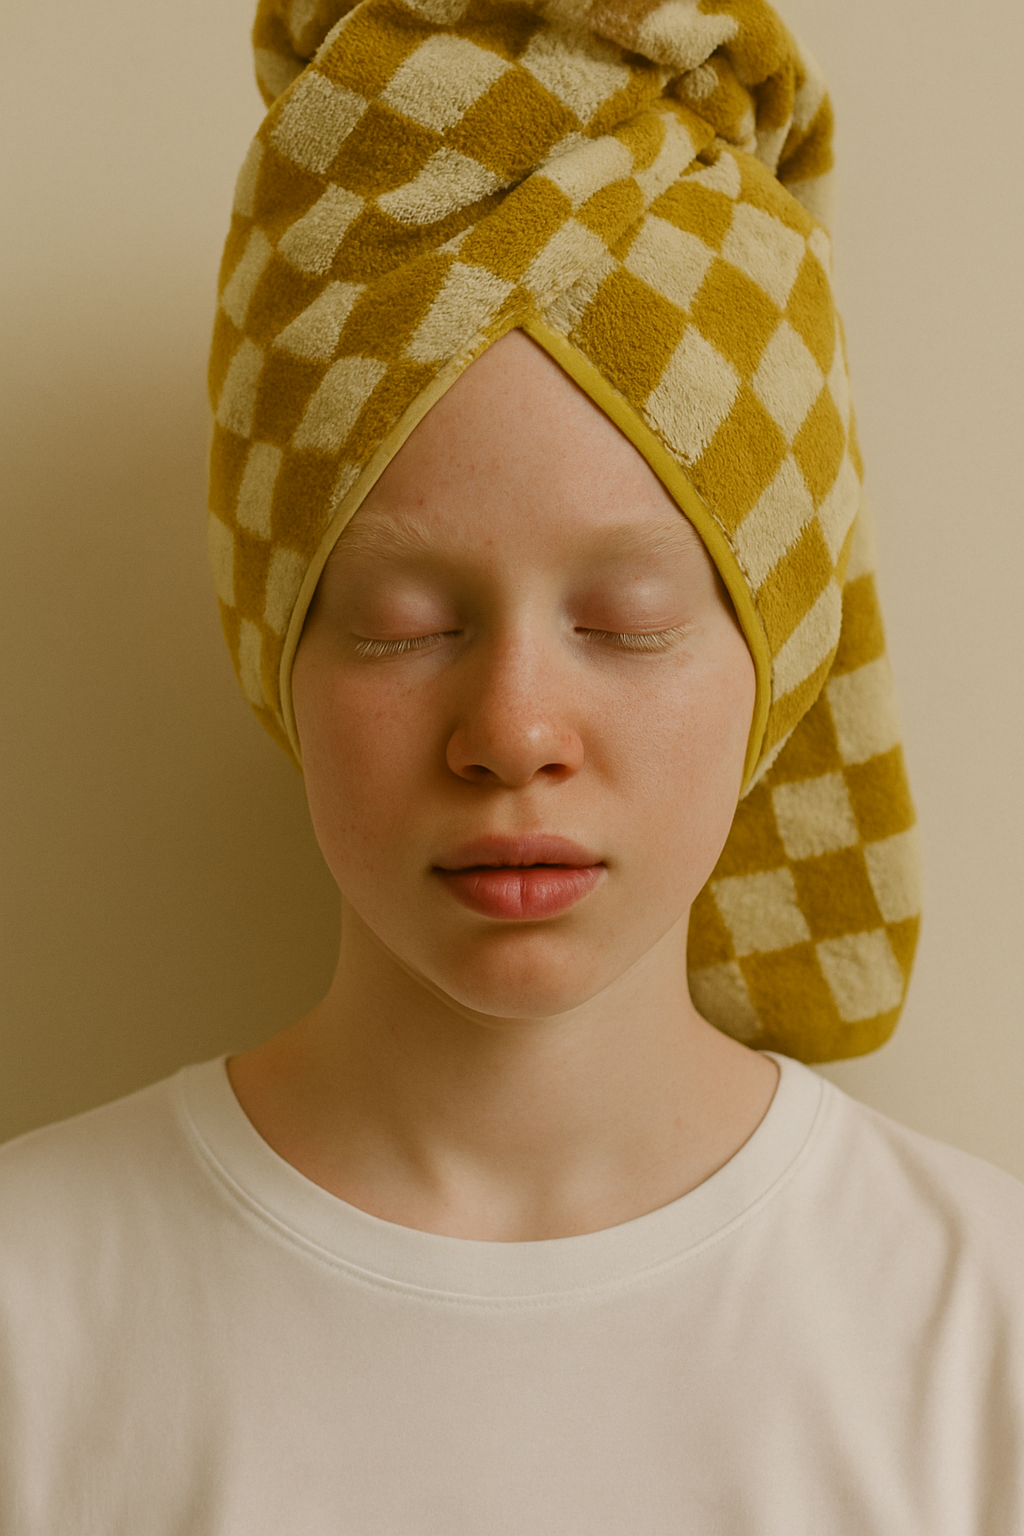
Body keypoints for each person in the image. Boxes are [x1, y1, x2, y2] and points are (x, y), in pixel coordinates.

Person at [1, 0, 1022, 1529]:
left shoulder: (979, 1336)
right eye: (406, 627)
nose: (515, 733)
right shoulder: (34, 1312)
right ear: (274, 643)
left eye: (627, 622)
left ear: (780, 655)